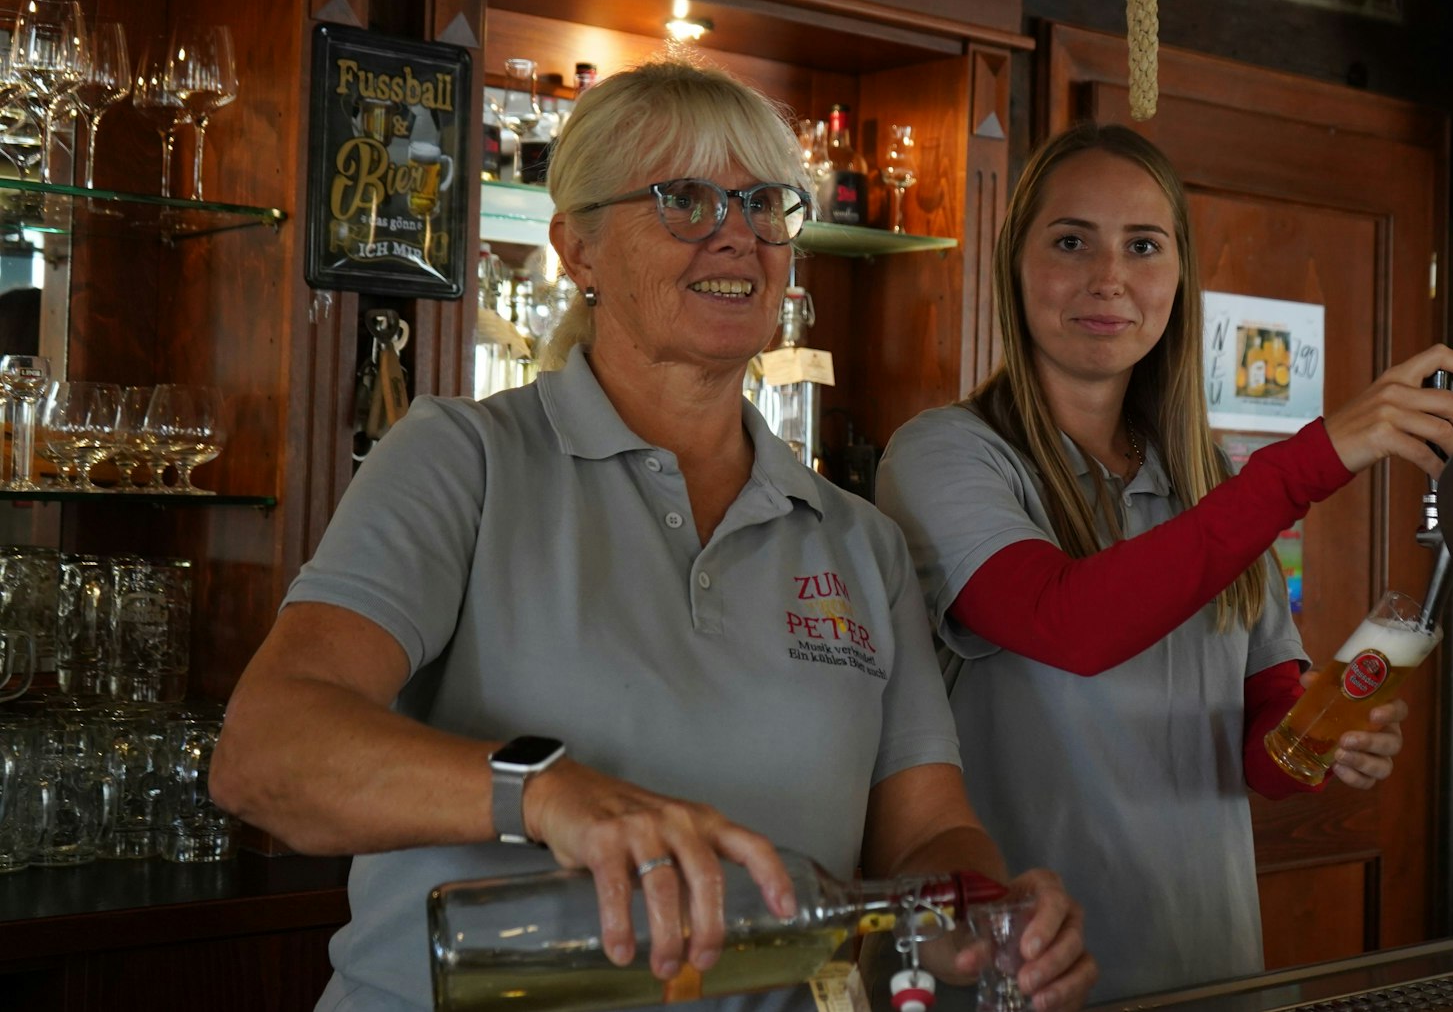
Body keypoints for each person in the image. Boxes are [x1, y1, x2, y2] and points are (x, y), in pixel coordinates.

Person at [211, 61, 1095, 1012]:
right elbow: (266, 754)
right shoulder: (463, 459)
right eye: (684, 199)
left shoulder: (859, 542)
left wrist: (993, 914)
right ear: (576, 250)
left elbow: (926, 836)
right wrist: (543, 792)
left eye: (764, 204)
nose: (738, 235)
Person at [872, 123, 1453, 1001]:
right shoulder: (944, 456)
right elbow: (1069, 621)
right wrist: (1320, 454)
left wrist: (1328, 729)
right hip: (1035, 980)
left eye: (1143, 246)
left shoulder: (1210, 484)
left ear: (1180, 277)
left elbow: (1262, 748)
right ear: (1015, 264)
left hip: (1214, 969)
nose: (1109, 277)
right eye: (1071, 241)